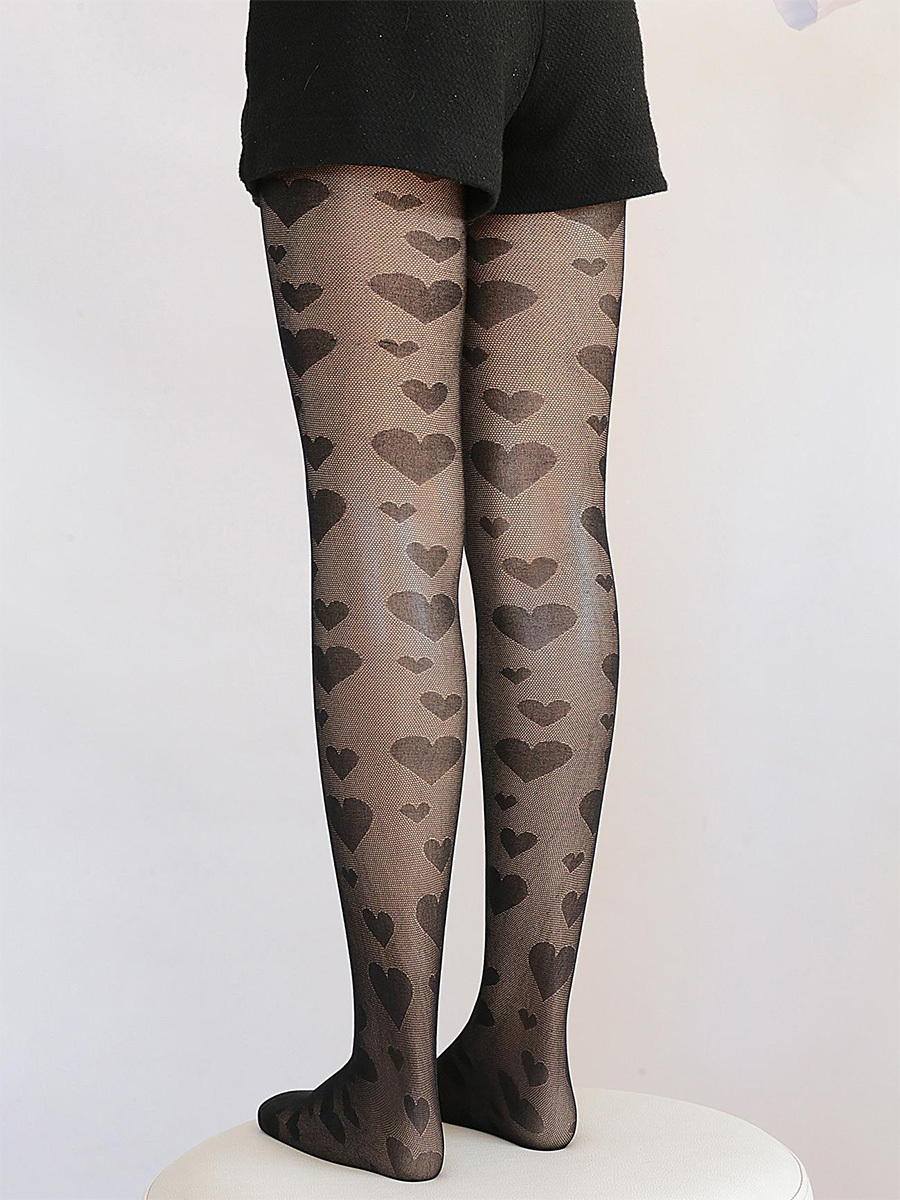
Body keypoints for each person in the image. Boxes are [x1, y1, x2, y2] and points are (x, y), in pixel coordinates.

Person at [237, 0, 667, 1182]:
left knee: (383, 511)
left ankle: (393, 1089)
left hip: (381, 25)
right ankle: (526, 1058)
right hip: (578, 23)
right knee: (553, 512)